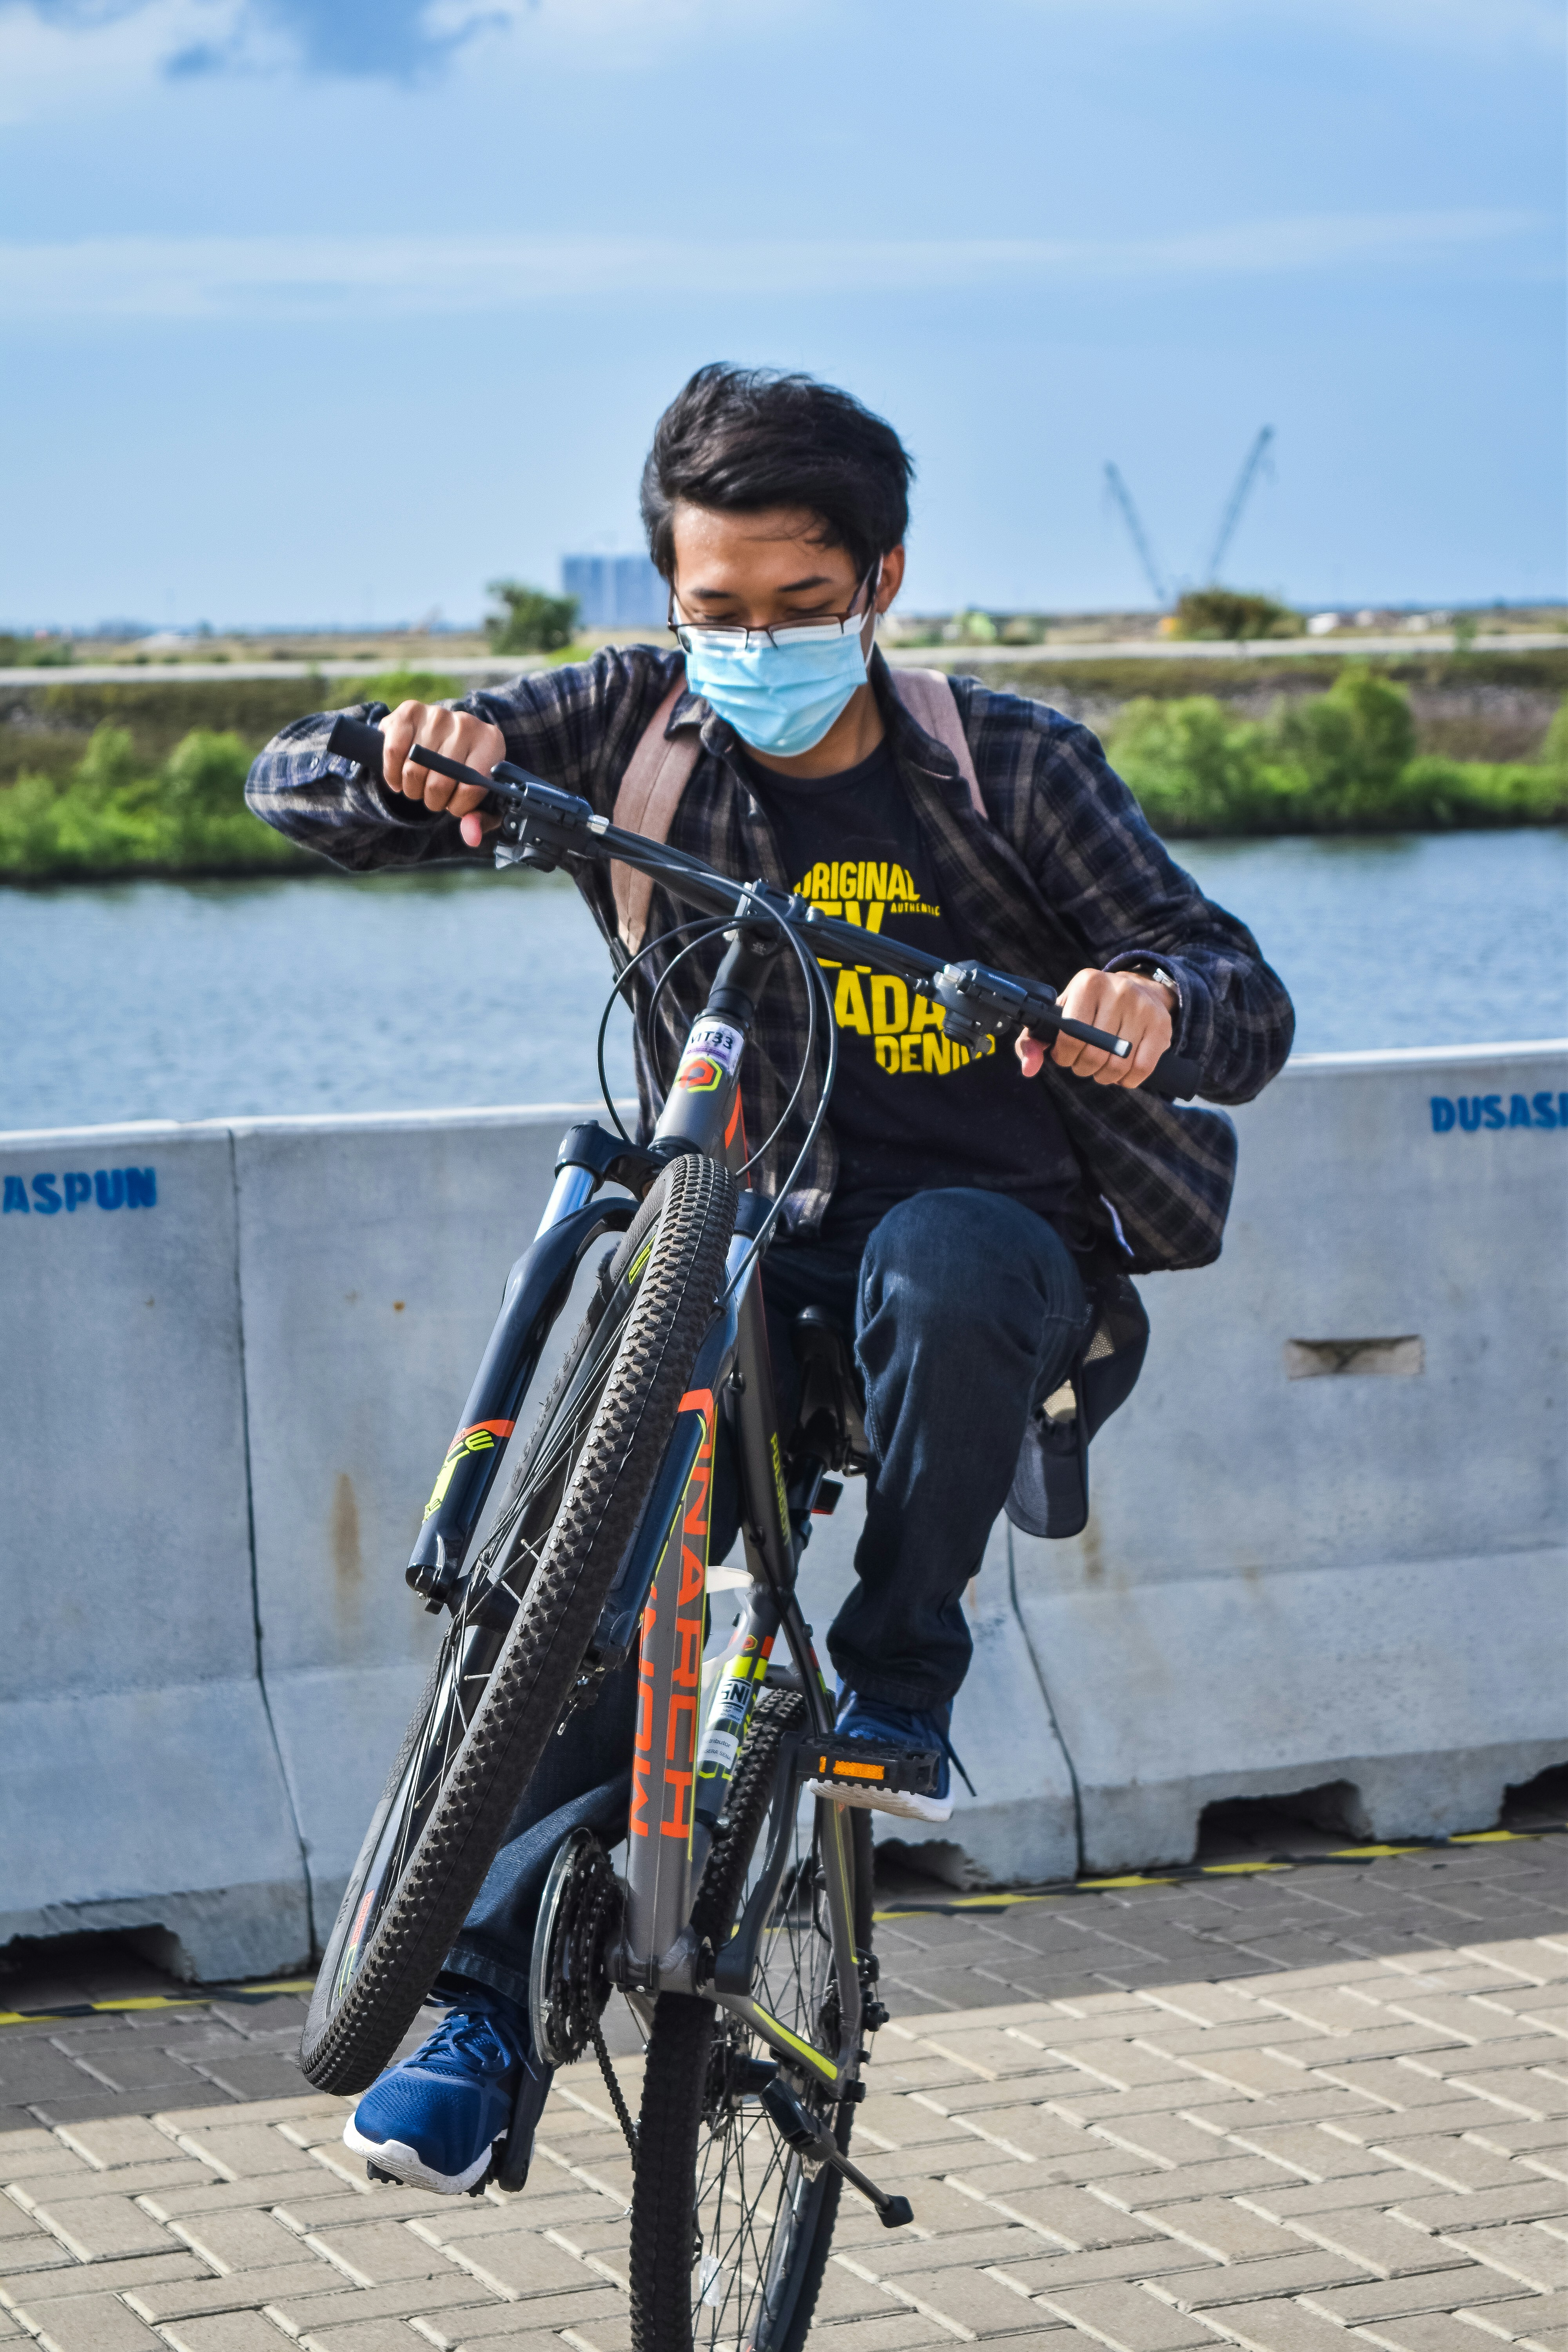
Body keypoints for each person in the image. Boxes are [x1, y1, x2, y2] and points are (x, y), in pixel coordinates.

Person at [246, 363, 1294, 2194]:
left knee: (946, 1249)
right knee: (604, 1566)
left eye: (799, 611)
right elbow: (301, 789)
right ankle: (481, 2019)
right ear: (668, 593)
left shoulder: (1009, 763)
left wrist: (1150, 1003)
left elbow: (1233, 988)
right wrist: (411, 752)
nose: (751, 644)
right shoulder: (635, 727)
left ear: (880, 585)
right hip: (730, 1255)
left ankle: (897, 1676)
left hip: (984, 1277)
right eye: (713, 609)